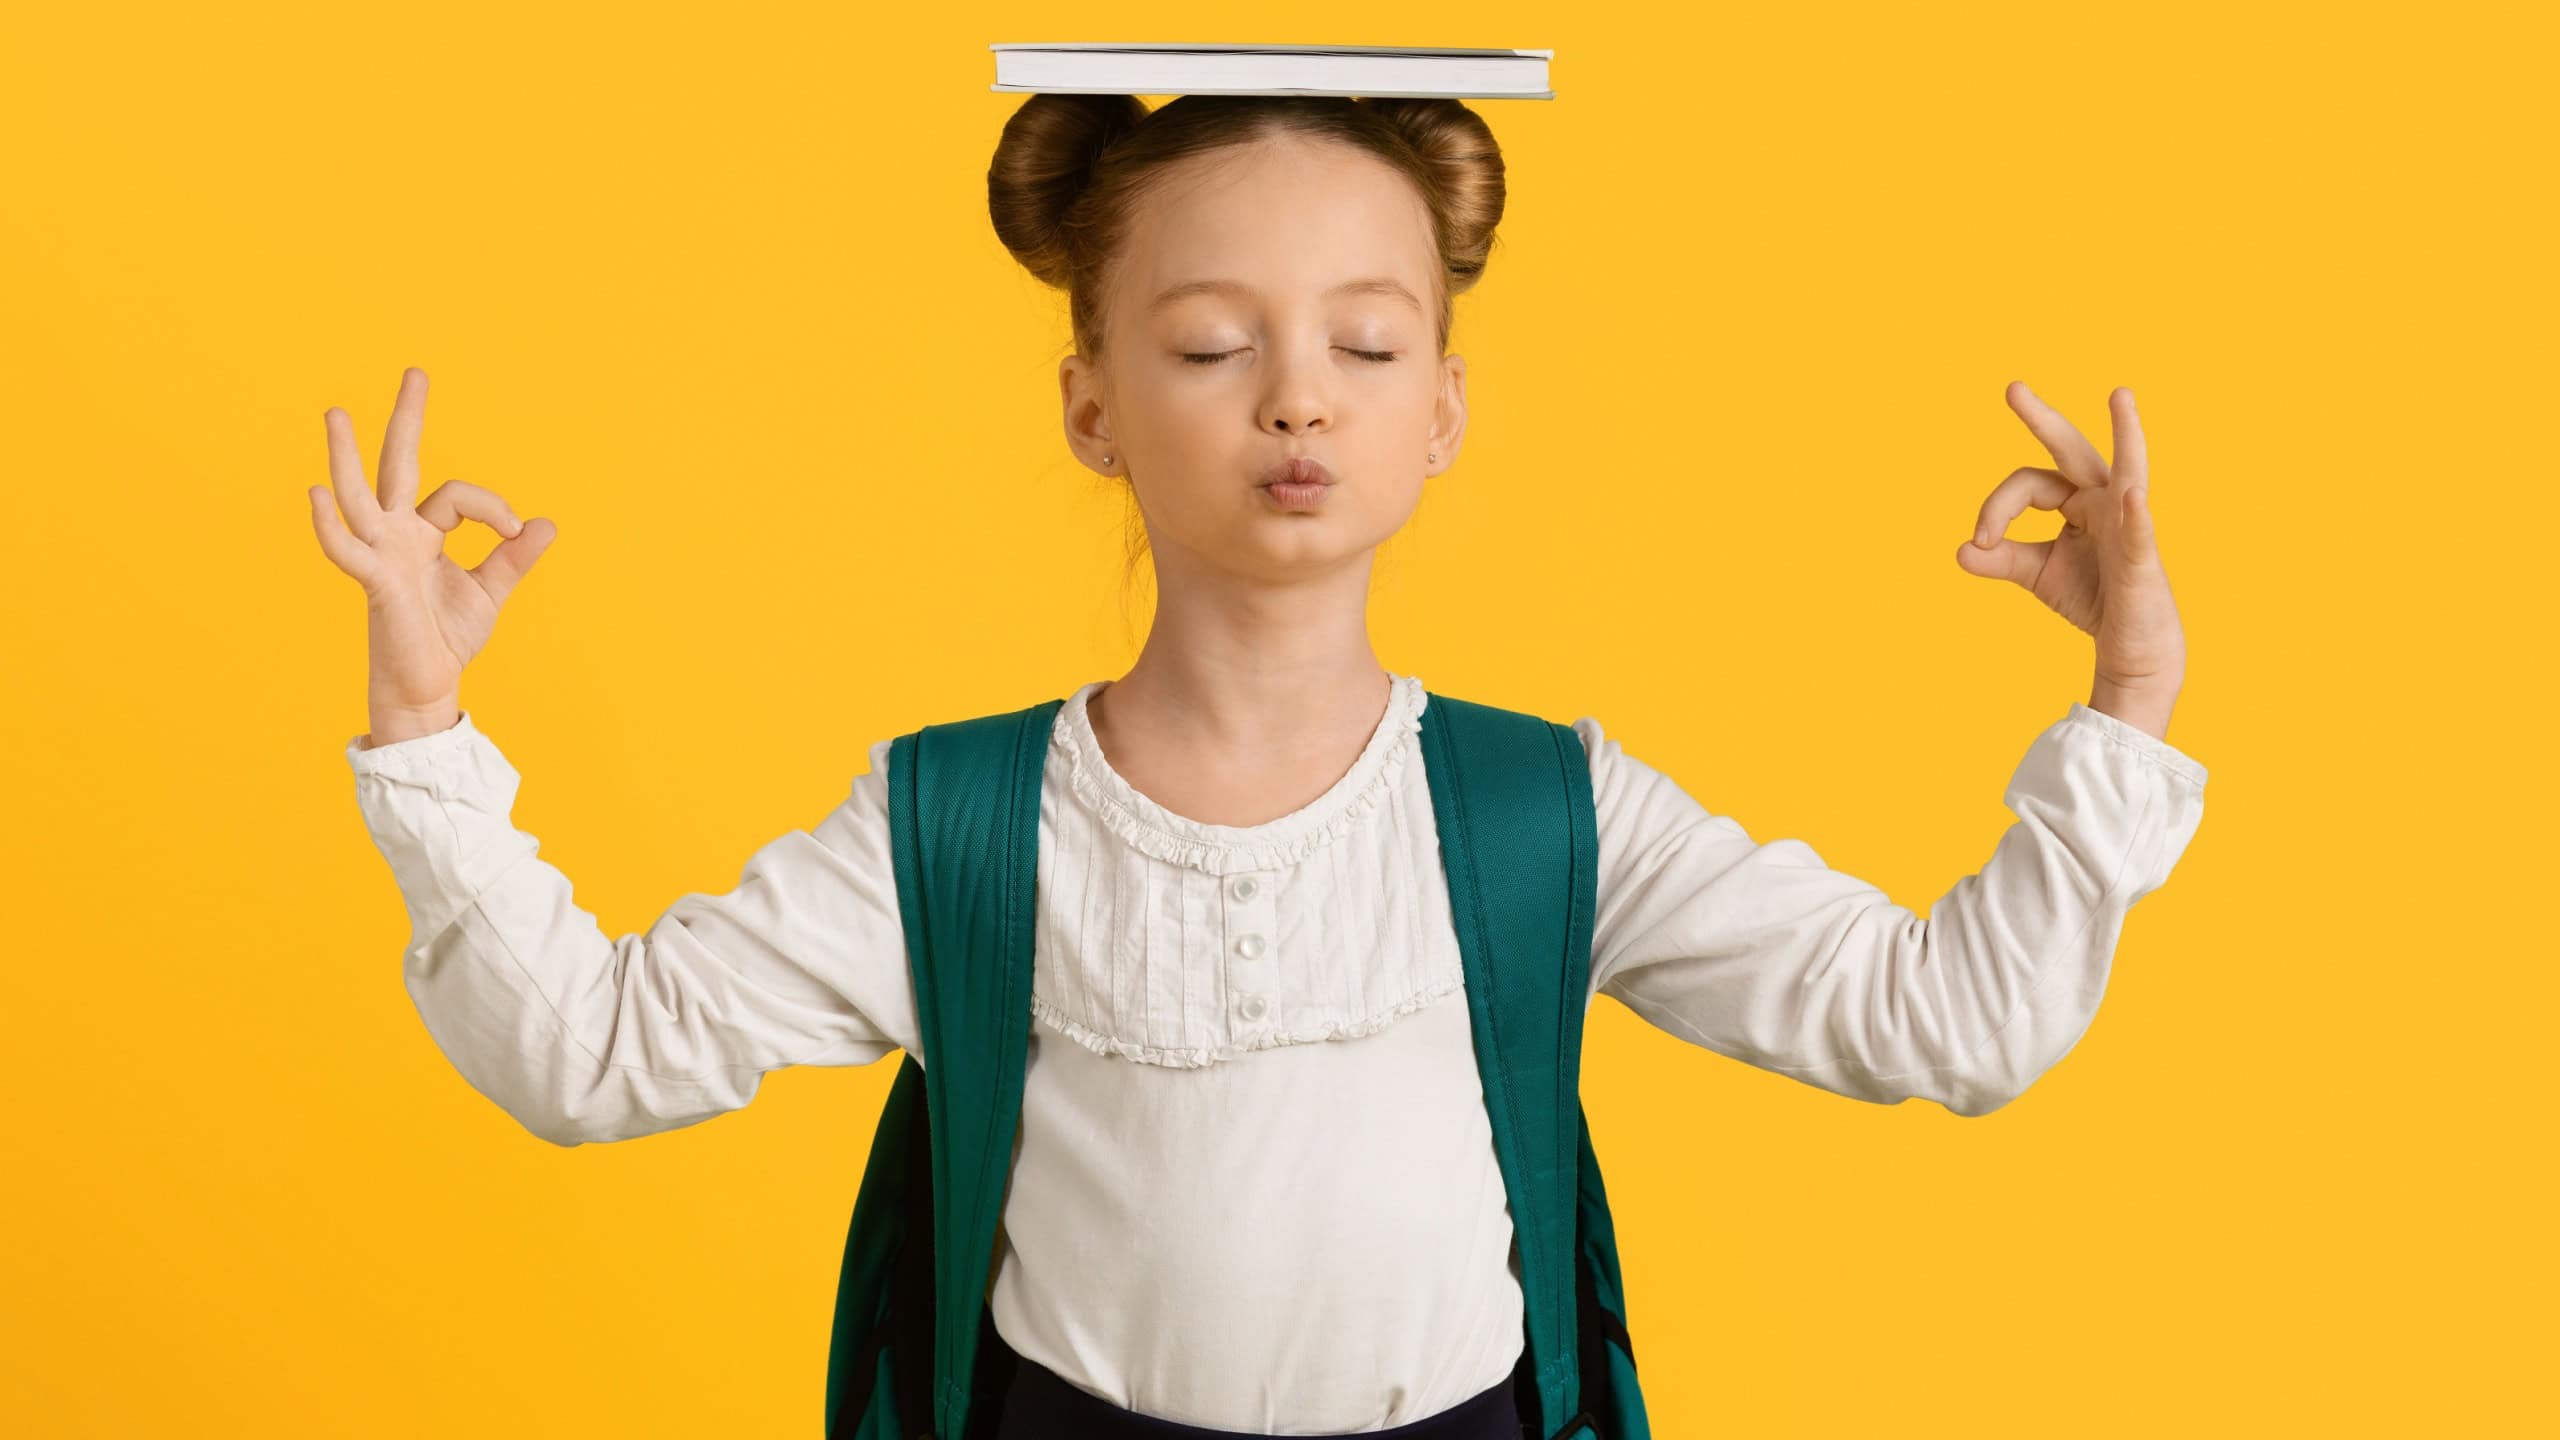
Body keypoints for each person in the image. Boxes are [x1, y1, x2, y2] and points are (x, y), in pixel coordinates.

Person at [307, 94, 2209, 1438]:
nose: (1298, 393)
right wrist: (425, 731)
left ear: (1444, 406)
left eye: (1367, 344)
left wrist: (2125, 696)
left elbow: (1948, 1023)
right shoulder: (958, 826)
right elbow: (591, 1054)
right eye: (1214, 343)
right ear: (1091, 405)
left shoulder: (1548, 815)